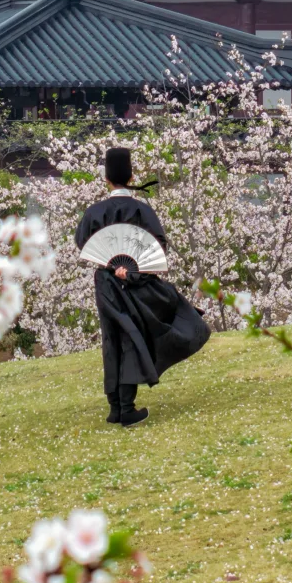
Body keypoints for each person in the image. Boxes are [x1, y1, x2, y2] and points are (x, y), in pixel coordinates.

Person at [75, 146, 210, 427]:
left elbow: (82, 242)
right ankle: (126, 409)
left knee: (112, 340)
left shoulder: (94, 212)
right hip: (136, 282)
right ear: (132, 175)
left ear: (106, 180)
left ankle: (116, 408)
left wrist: (112, 267)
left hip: (105, 283)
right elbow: (157, 246)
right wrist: (132, 271)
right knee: (131, 339)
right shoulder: (142, 210)